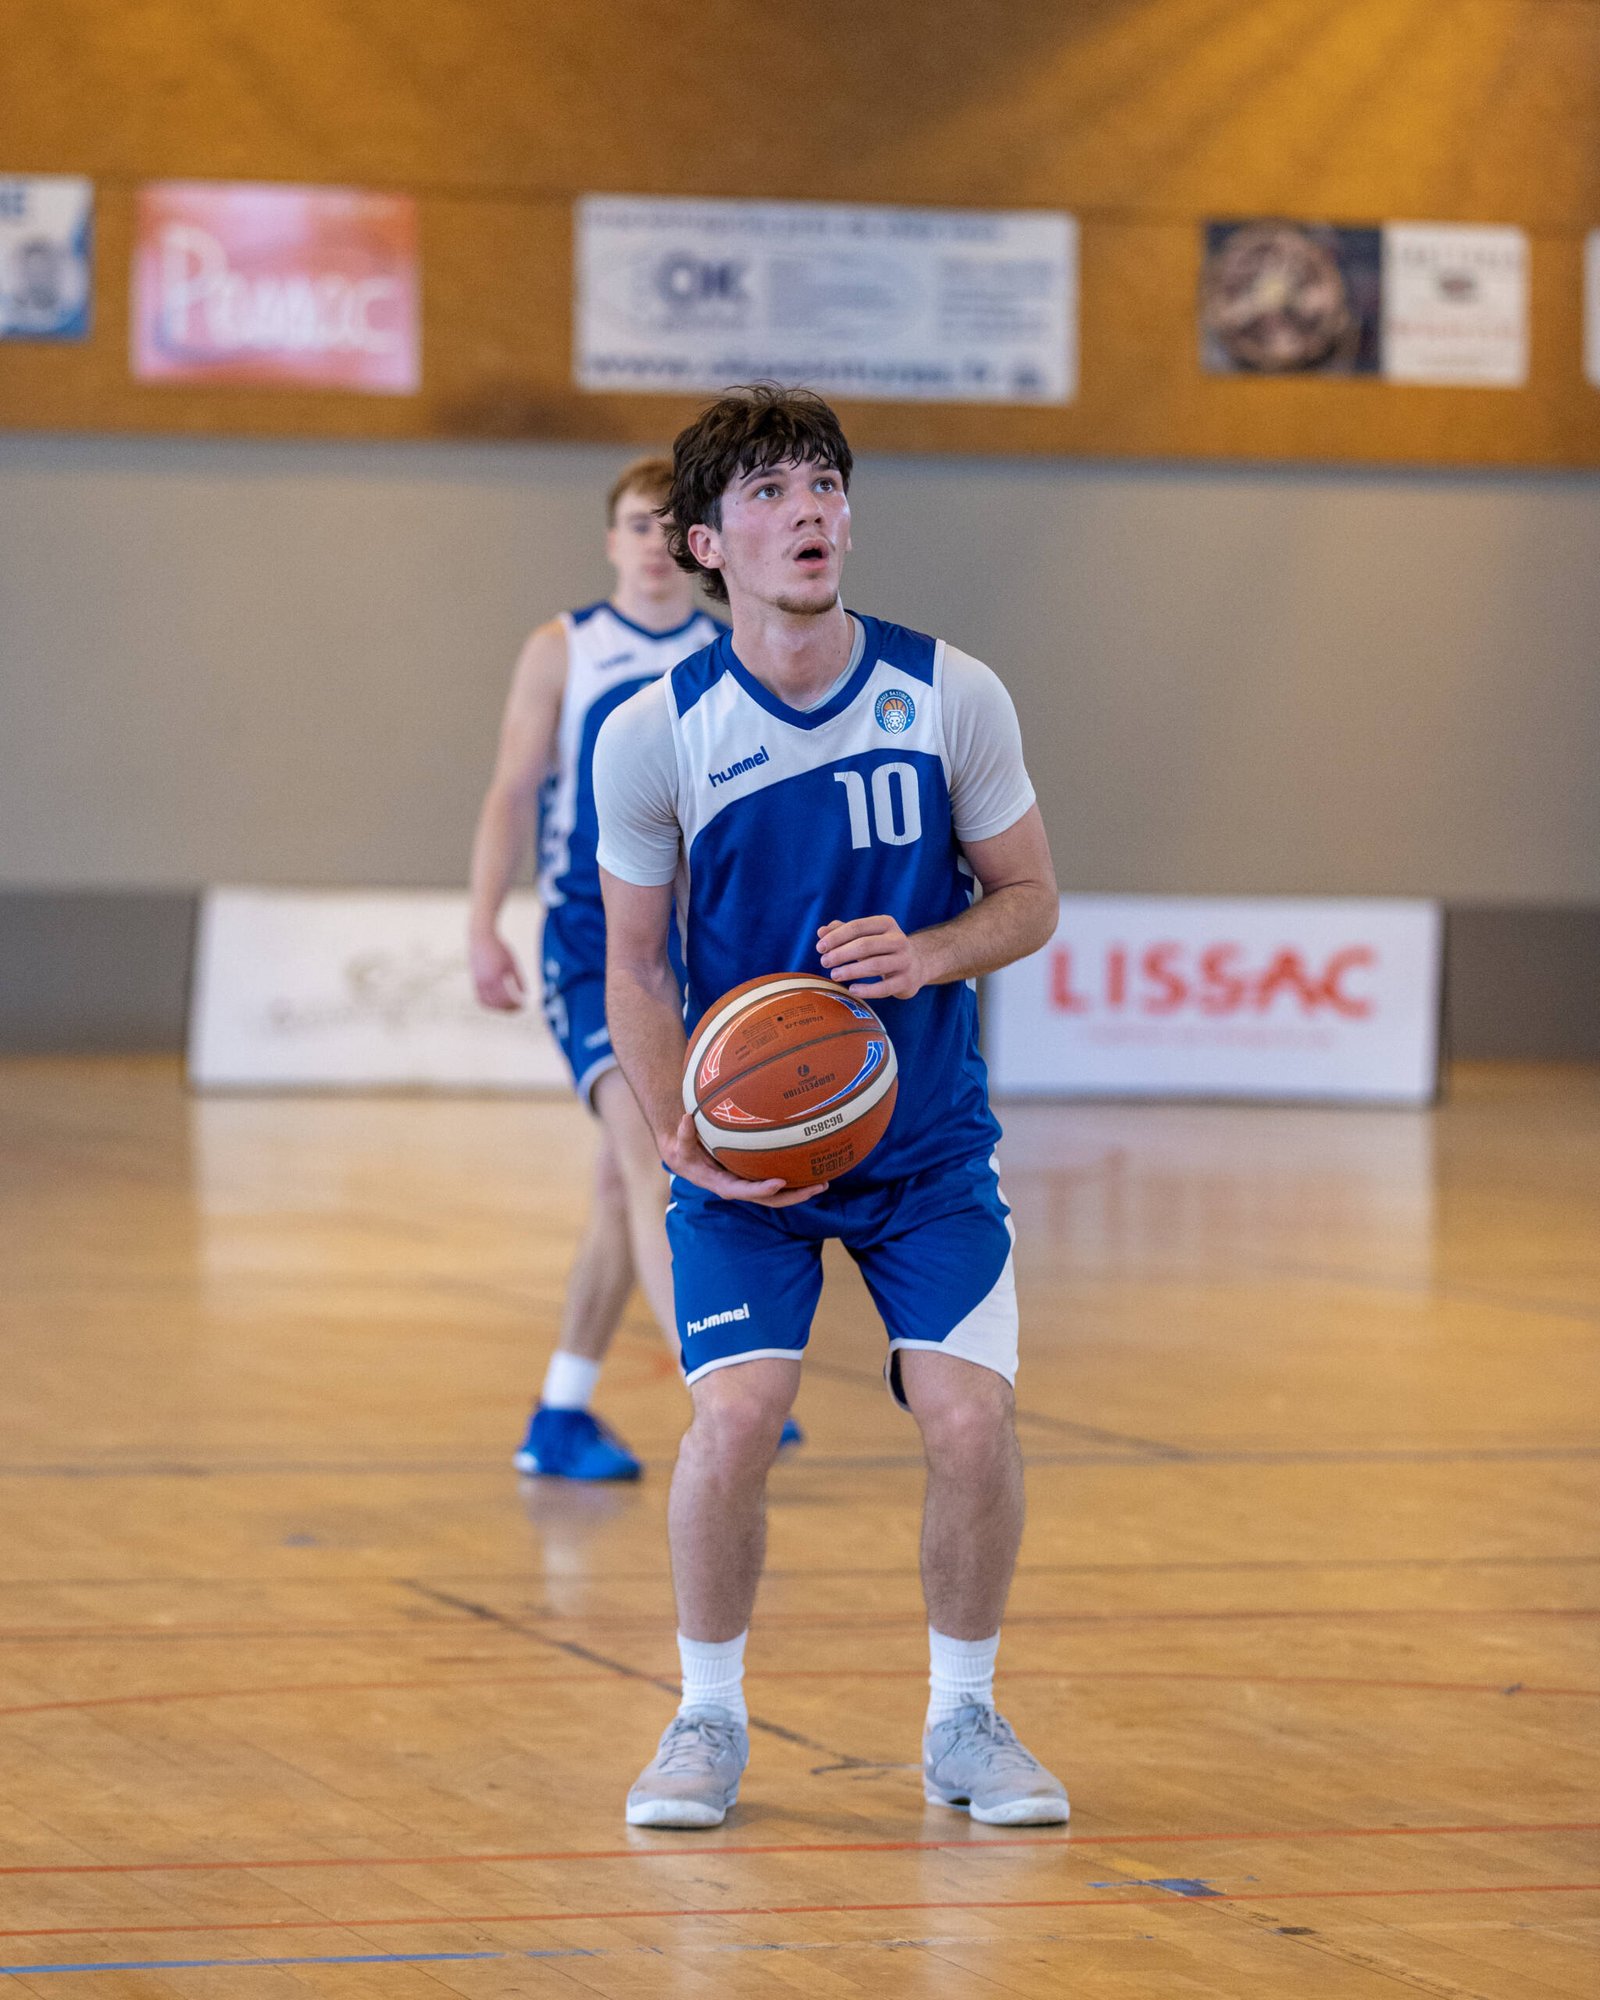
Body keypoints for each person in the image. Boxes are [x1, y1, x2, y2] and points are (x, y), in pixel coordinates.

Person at [594, 386, 1068, 1827]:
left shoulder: (952, 693)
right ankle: (706, 1718)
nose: (808, 510)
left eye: (824, 485)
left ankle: (965, 1721)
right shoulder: (653, 730)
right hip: (748, 1155)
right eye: (769, 492)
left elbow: (1030, 898)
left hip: (922, 1146)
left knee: (970, 1422)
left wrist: (930, 953)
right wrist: (682, 1135)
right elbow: (635, 963)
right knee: (736, 1420)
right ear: (705, 544)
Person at [469, 457, 730, 1480]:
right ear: (610, 540)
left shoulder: (728, 651)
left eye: (671, 524)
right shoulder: (563, 649)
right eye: (635, 523)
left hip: (698, 942)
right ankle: (719, 1388)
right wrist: (482, 923)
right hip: (593, 937)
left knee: (622, 1190)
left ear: (699, 542)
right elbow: (509, 791)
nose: (653, 543)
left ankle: (560, 1415)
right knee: (656, 1158)